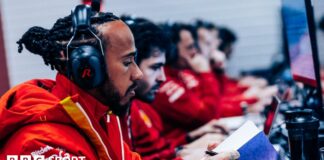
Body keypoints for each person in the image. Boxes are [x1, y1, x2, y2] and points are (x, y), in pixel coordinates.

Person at [0, 5, 143, 159]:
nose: (138, 74)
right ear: (88, 68)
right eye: (127, 62)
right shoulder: (40, 144)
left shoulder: (99, 117)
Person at [123, 18, 228, 160]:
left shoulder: (140, 104)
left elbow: (158, 150)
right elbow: (207, 114)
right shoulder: (123, 109)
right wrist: (206, 72)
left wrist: (187, 142)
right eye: (154, 67)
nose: (162, 77)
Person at [150, 22, 223, 143]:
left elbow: (215, 104)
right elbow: (208, 116)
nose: (195, 51)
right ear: (172, 50)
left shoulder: (182, 73)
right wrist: (206, 73)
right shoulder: (164, 82)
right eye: (189, 47)